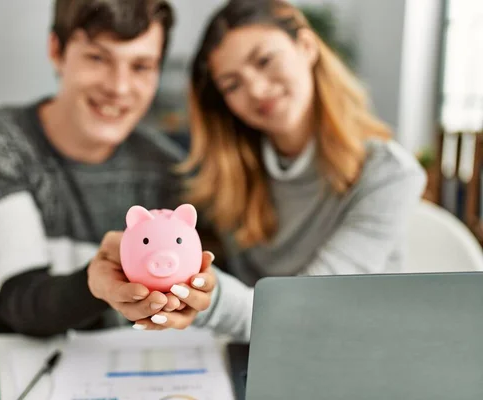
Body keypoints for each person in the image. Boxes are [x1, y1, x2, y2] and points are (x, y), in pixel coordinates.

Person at [145, 0, 427, 340]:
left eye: (265, 61)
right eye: (232, 85)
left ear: (306, 47)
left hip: (356, 354)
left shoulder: (389, 174)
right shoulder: (228, 177)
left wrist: (207, 298)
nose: (257, 90)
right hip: (260, 355)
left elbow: (309, 310)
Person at [0, 0, 217, 337]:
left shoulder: (169, 170)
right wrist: (96, 283)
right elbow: (23, 303)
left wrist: (195, 298)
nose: (118, 87)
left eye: (141, 66)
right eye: (97, 58)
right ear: (56, 51)